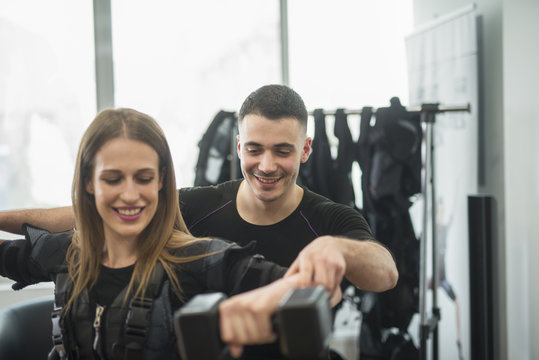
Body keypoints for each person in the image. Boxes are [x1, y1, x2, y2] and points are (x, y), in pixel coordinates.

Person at [0, 108, 345, 360]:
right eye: (113, 179)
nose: (130, 194)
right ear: (89, 183)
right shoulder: (63, 254)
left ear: (162, 181)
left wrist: (273, 295)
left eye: (144, 178)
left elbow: (312, 286)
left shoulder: (198, 260)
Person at [0, 85, 398, 298]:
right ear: (239, 146)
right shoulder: (196, 207)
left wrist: (339, 250)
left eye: (283, 151)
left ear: (306, 150)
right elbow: (87, 216)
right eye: (255, 150)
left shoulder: (330, 219)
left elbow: (385, 274)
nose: (266, 165)